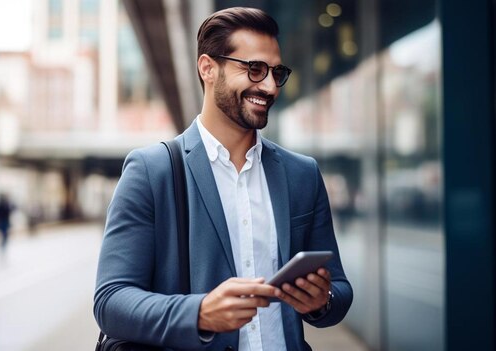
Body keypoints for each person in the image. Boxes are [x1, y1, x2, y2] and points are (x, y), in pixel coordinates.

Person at [94, 7, 353, 350]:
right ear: (208, 68)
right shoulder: (150, 170)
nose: (271, 86)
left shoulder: (302, 174)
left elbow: (340, 289)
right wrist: (198, 313)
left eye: (277, 72)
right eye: (255, 69)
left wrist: (323, 300)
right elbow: (110, 301)